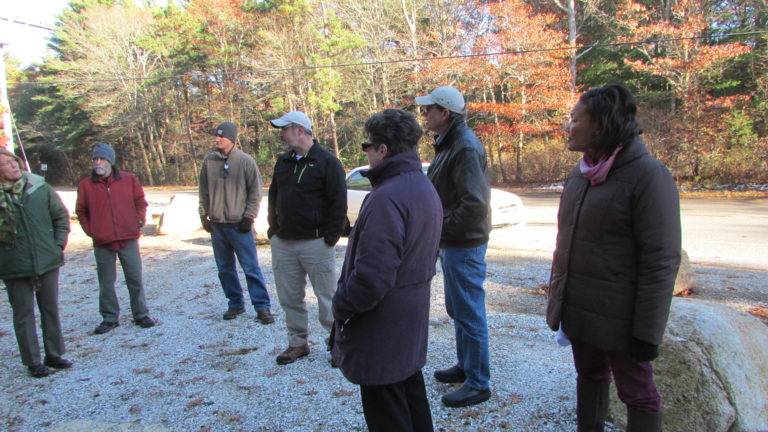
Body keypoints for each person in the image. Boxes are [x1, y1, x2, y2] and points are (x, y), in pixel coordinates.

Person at [546, 84, 681, 432]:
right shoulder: (580, 174)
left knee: (638, 395)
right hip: (581, 310)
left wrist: (647, 333)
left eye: (575, 120)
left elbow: (661, 260)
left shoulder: (648, 176)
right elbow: (566, 244)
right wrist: (559, 301)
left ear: (601, 126)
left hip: (622, 319)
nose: (568, 126)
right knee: (589, 376)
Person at [331, 109, 442, 431]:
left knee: (388, 411)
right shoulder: (422, 186)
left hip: (383, 324)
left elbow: (372, 278)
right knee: (409, 396)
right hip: (408, 319)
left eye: (368, 145)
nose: (365, 151)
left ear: (383, 149)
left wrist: (341, 306)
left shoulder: (387, 196)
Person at [416, 86, 492, 407]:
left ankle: (478, 382)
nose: (424, 114)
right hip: (455, 241)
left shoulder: (463, 147)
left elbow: (474, 205)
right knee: (458, 309)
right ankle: (466, 366)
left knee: (469, 312)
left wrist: (437, 228)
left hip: (464, 243)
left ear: (445, 113)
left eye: (428, 109)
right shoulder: (449, 143)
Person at [268, 111, 346, 365]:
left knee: (327, 298)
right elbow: (273, 197)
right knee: (289, 297)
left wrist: (330, 238)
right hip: (284, 243)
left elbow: (338, 204)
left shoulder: (327, 162)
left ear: (300, 130)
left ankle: (337, 345)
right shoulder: (283, 162)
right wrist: (273, 230)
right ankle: (297, 344)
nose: (281, 133)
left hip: (316, 243)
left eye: (284, 129)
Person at [0, 148, 72, 377]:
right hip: (13, 264)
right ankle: (33, 361)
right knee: (23, 314)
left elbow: (60, 216)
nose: (13, 166)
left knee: (50, 309)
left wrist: (57, 244)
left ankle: (55, 354)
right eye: (6, 163)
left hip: (46, 259)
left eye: (14, 161)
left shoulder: (39, 187)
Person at [198, 122, 274, 324]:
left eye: (221, 136)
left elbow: (255, 193)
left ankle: (262, 306)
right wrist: (203, 215)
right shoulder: (209, 162)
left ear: (231, 138)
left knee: (251, 268)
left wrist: (249, 217)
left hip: (239, 225)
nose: (217, 139)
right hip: (217, 225)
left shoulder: (245, 161)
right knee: (224, 268)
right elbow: (203, 192)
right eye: (216, 136)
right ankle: (235, 303)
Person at [76, 142, 155, 334]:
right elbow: (81, 211)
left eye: (101, 158)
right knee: (106, 281)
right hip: (102, 241)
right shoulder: (86, 185)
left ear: (110, 161)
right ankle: (109, 318)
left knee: (134, 277)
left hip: (128, 237)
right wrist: (92, 231)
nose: (98, 162)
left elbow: (140, 202)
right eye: (95, 159)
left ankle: (141, 314)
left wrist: (138, 220)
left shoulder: (129, 180)